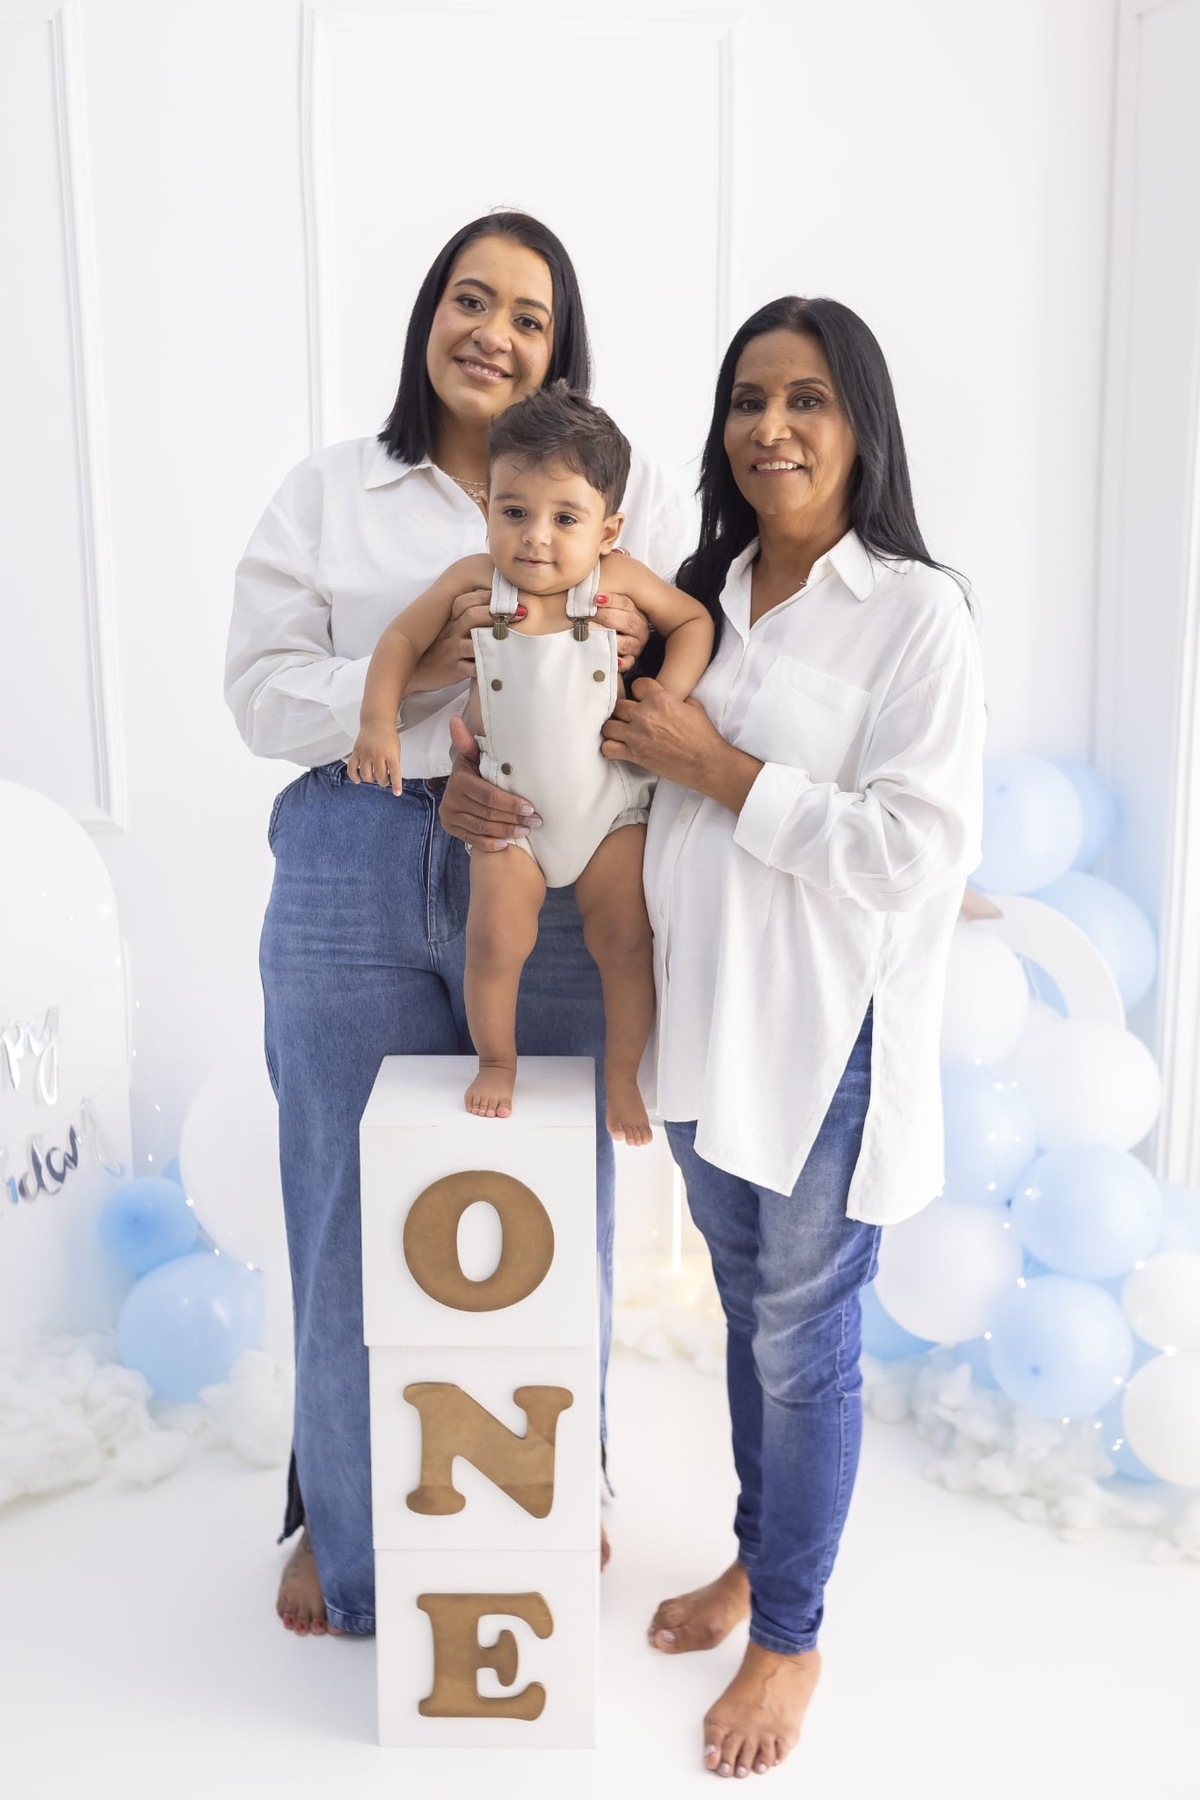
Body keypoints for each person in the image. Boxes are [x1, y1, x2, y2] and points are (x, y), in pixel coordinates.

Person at [441, 297, 985, 1777]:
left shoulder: (915, 614)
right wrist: (483, 769)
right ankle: (762, 1556)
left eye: (808, 399)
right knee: (752, 1320)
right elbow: (589, 757)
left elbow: (907, 853)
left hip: (820, 1047)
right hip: (699, 1026)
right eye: (748, 399)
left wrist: (722, 768)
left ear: (862, 423)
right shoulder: (699, 588)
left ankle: (791, 1636)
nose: (772, 428)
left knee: (805, 1348)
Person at [224, 212, 691, 1638]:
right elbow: (258, 689)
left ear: (562, 348)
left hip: (550, 856)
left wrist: (578, 736)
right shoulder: (333, 493)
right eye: (469, 300)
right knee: (341, 1190)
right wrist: (443, 695)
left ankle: (567, 1481)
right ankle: (339, 1511)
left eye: (529, 315)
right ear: (429, 315)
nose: (493, 330)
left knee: (559, 1182)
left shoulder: (619, 491)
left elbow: (664, 660)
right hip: (358, 850)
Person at [346, 384, 713, 1134]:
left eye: (564, 518)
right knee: (493, 944)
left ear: (608, 530)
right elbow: (397, 643)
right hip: (507, 813)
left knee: (625, 942)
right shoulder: (473, 581)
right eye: (514, 512)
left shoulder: (620, 582)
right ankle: (498, 1061)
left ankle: (621, 1076)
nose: (535, 538)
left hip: (611, 809)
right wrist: (376, 724)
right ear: (486, 510)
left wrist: (662, 701)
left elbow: (696, 621)